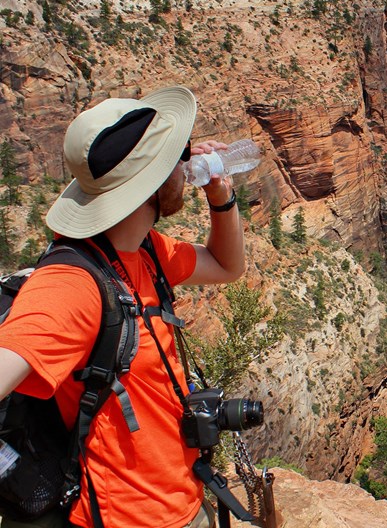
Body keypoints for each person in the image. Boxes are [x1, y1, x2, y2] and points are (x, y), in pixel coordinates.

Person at [0, 85, 247, 528]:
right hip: (126, 518)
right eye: (178, 154)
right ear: (149, 182)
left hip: (181, 495)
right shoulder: (73, 284)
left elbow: (227, 266)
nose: (187, 162)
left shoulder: (145, 250)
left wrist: (219, 195)